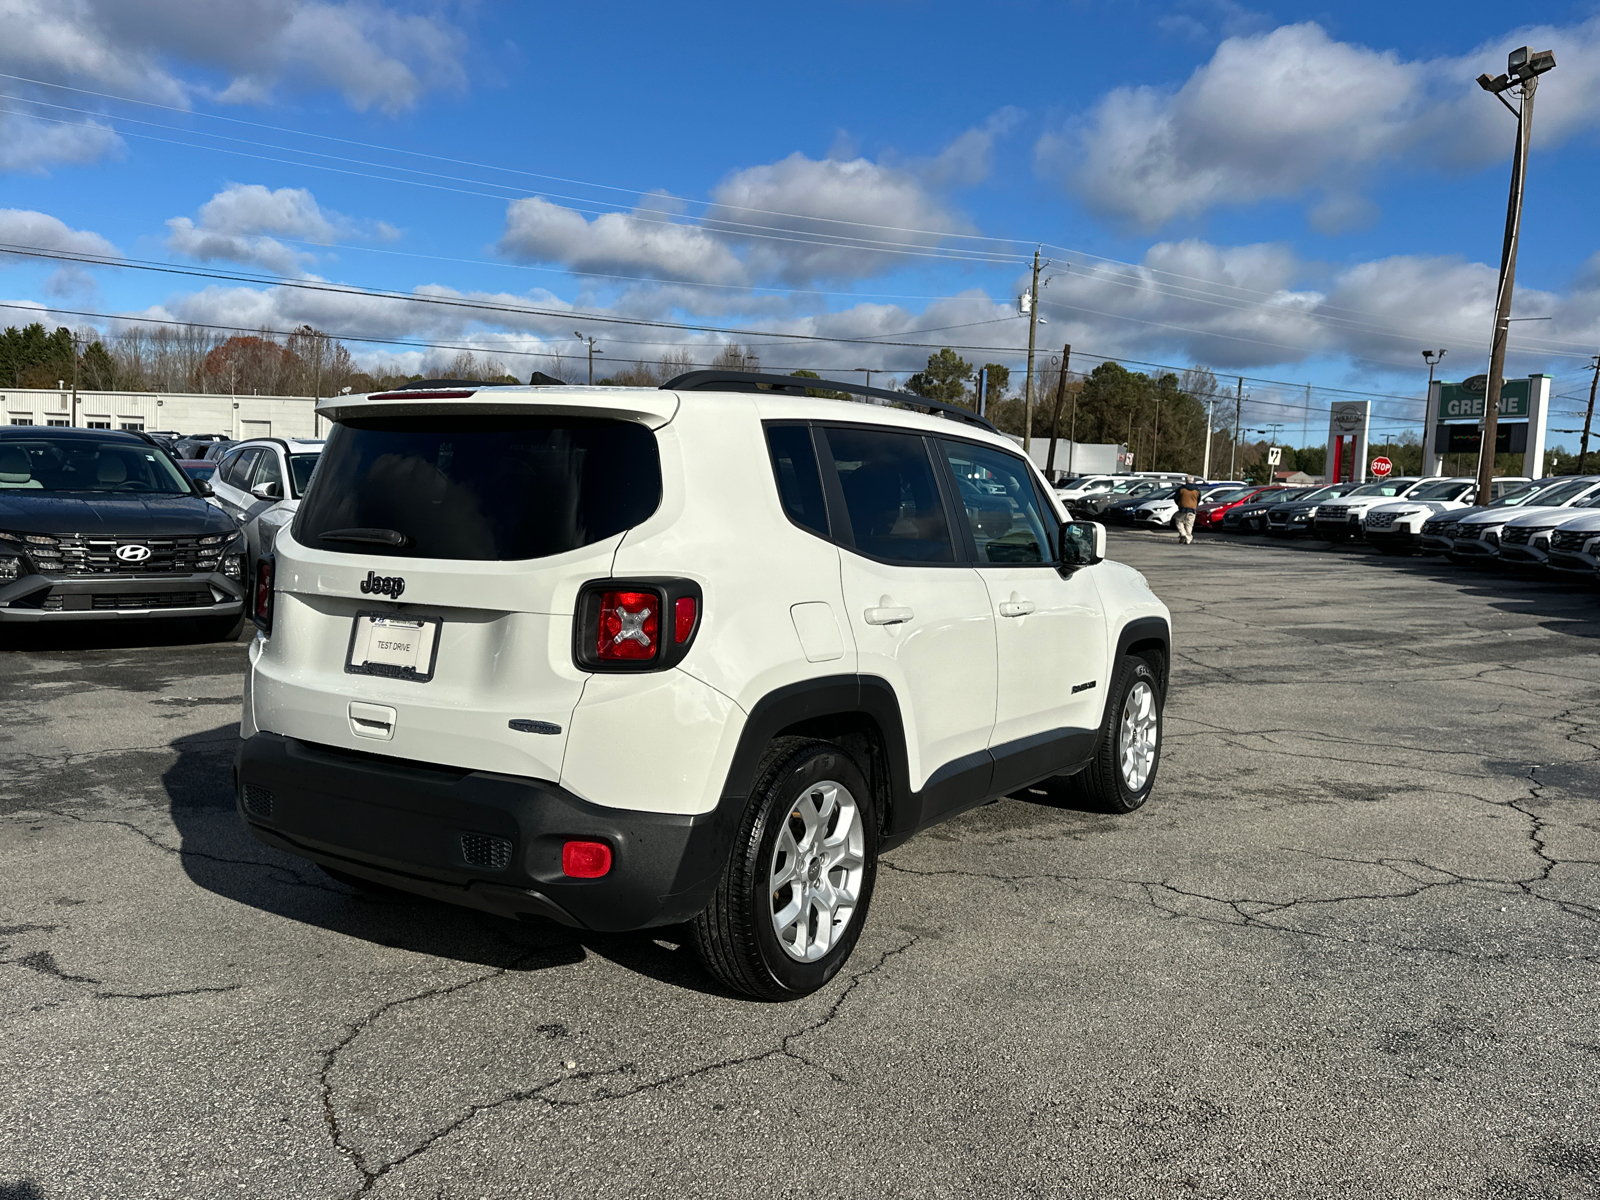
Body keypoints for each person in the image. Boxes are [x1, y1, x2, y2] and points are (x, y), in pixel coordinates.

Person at [1174, 476, 1202, 544]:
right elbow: (1198, 499)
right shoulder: (1197, 490)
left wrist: (1179, 504)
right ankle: (1188, 539)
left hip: (1182, 508)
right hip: (1192, 509)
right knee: (1189, 525)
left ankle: (1183, 533)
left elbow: (1176, 498)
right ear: (1193, 481)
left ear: (1186, 481)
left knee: (1178, 521)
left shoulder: (1181, 489)